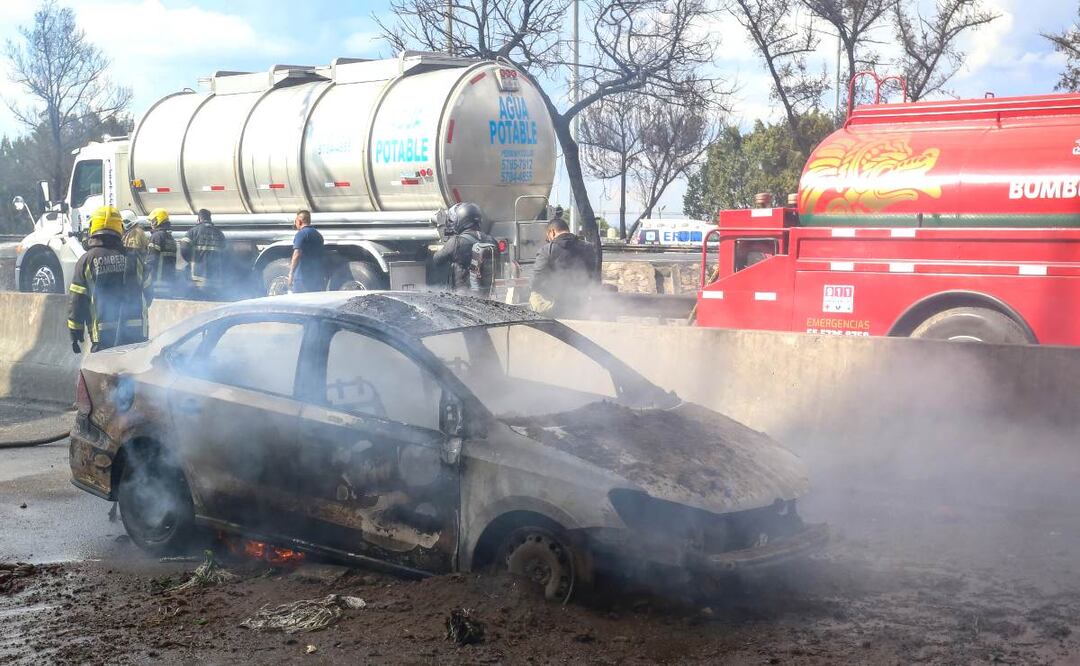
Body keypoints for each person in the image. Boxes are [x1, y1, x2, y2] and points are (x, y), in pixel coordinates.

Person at [67, 206, 151, 353]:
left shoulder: (86, 260)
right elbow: (149, 291)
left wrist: (75, 332)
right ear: (120, 227)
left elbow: (77, 301)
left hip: (103, 337)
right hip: (136, 335)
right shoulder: (134, 257)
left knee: (104, 375)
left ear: (93, 228)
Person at [529, 218, 598, 317]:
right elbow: (592, 276)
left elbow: (534, 282)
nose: (548, 241)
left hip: (555, 307)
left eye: (548, 238)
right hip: (580, 304)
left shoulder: (547, 251)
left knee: (534, 295)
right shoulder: (589, 248)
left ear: (552, 232)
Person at [432, 202, 498, 297]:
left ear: (461, 220)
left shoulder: (456, 242)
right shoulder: (491, 240)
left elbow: (437, 260)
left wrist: (445, 238)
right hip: (487, 295)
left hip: (464, 297)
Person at [181, 208, 226, 299]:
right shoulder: (220, 234)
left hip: (197, 280)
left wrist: (192, 261)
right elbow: (225, 254)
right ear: (210, 219)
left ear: (199, 219)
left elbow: (184, 249)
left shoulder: (193, 232)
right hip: (215, 281)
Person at [288, 209, 326, 293]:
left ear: (299, 221)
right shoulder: (318, 235)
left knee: (300, 303)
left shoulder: (301, 234)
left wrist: (291, 273)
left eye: (296, 221)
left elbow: (296, 255)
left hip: (302, 278)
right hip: (316, 277)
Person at [146, 208, 178, 296]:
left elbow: (151, 261)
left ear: (157, 221)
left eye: (152, 221)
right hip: (169, 285)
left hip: (156, 285)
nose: (151, 224)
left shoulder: (156, 236)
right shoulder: (171, 239)